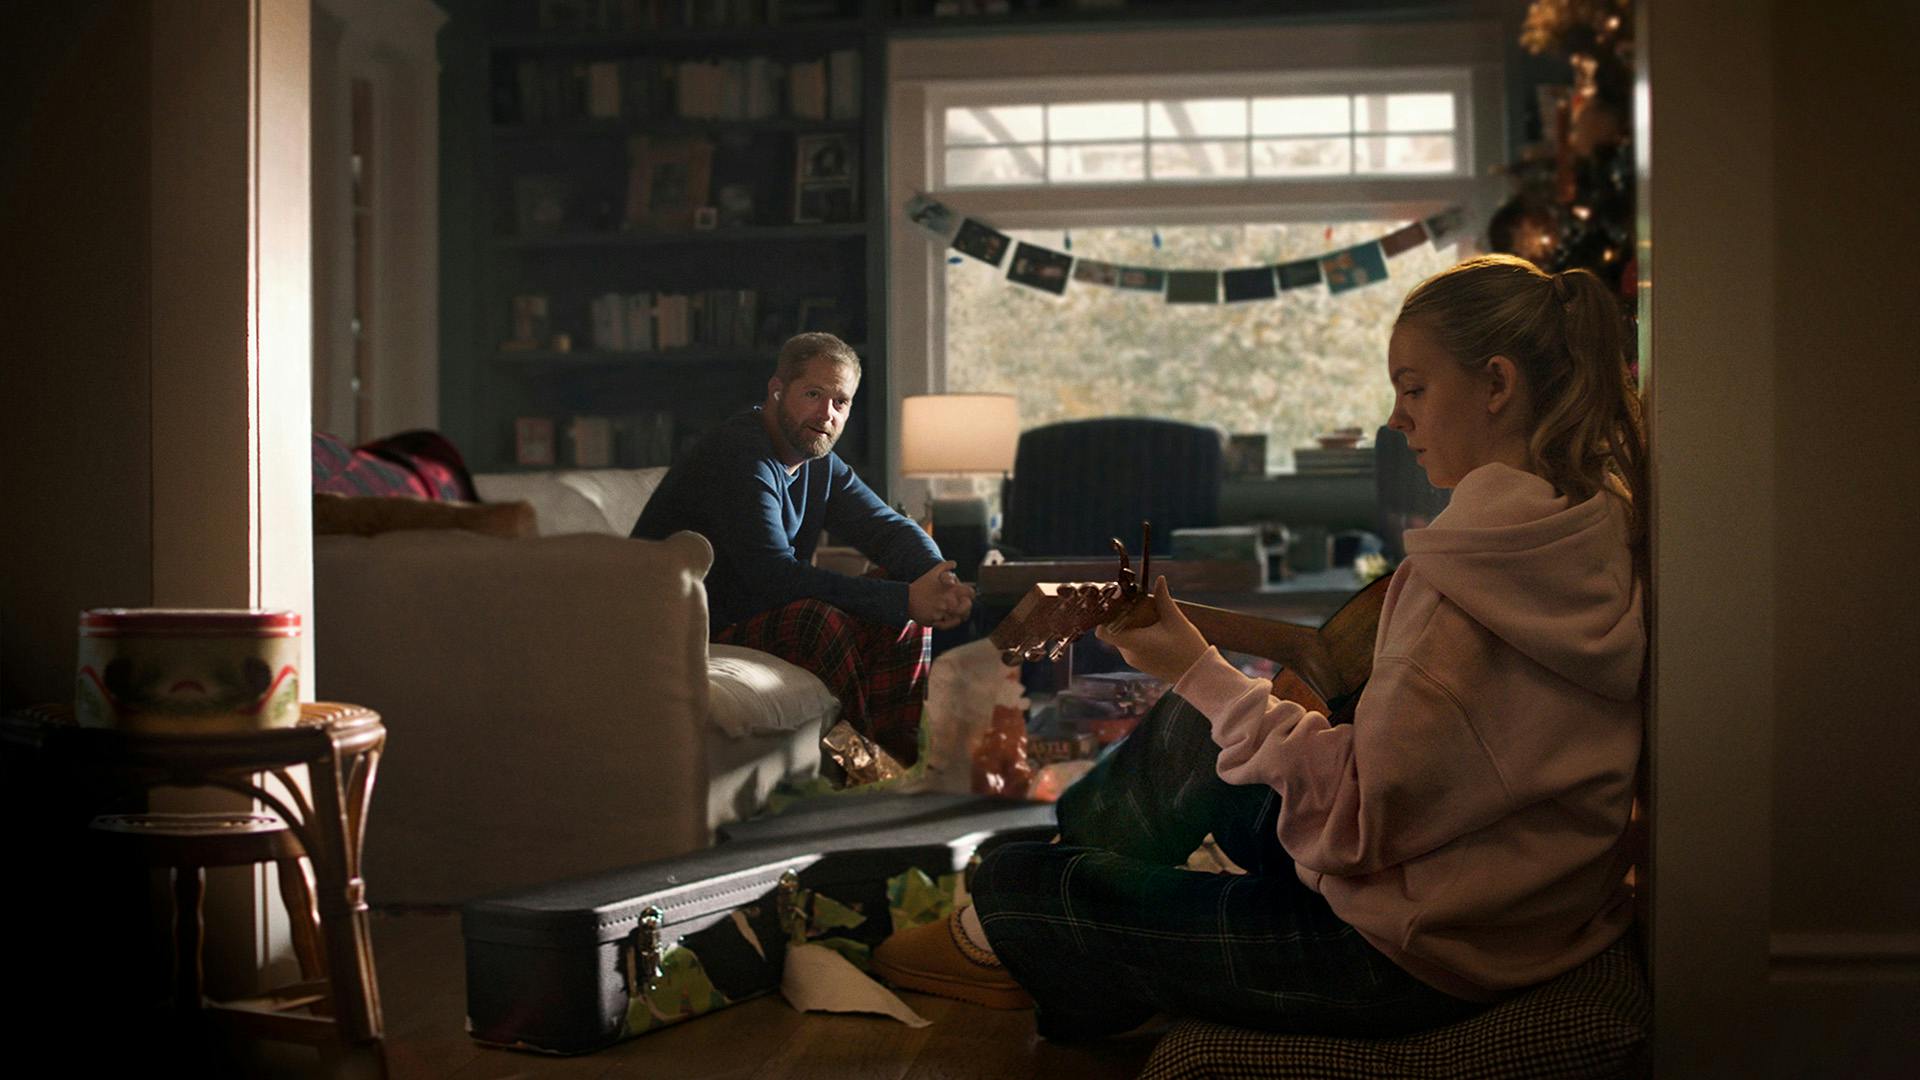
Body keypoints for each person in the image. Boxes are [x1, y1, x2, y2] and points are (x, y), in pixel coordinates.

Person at [872, 254, 1649, 1040]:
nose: (1395, 418)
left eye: (1414, 388)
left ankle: (1025, 936)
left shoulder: (1460, 588)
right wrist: (1197, 650)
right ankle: (1055, 933)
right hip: (1499, 913)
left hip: (1404, 956)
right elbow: (1389, 716)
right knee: (1192, 735)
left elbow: (1352, 823)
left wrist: (1196, 670)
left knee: (1015, 881)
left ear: (1497, 385)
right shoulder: (1578, 535)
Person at [631, 332, 974, 766]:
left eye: (840, 402)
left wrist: (937, 579)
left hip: (748, 614)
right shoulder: (740, 456)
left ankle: (900, 757)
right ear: (777, 391)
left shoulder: (819, 463)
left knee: (899, 591)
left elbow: (888, 530)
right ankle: (863, 765)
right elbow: (773, 577)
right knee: (818, 620)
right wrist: (906, 598)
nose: (826, 413)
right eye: (813, 394)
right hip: (679, 625)